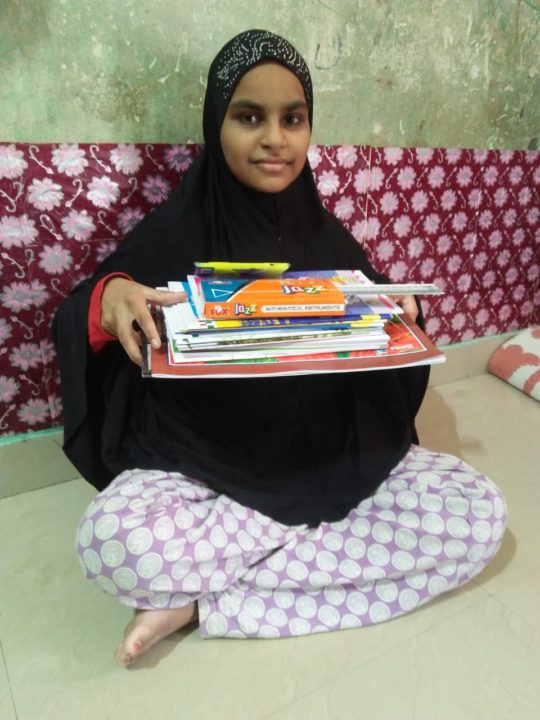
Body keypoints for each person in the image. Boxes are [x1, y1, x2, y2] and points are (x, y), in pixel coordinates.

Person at [53, 29, 507, 667]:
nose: (275, 139)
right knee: (110, 541)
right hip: (204, 466)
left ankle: (202, 601)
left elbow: (375, 300)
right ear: (216, 125)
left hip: (327, 452)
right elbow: (87, 312)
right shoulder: (180, 225)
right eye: (249, 117)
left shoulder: (321, 230)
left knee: (477, 514)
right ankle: (308, 545)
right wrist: (111, 297)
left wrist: (400, 311)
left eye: (293, 119)